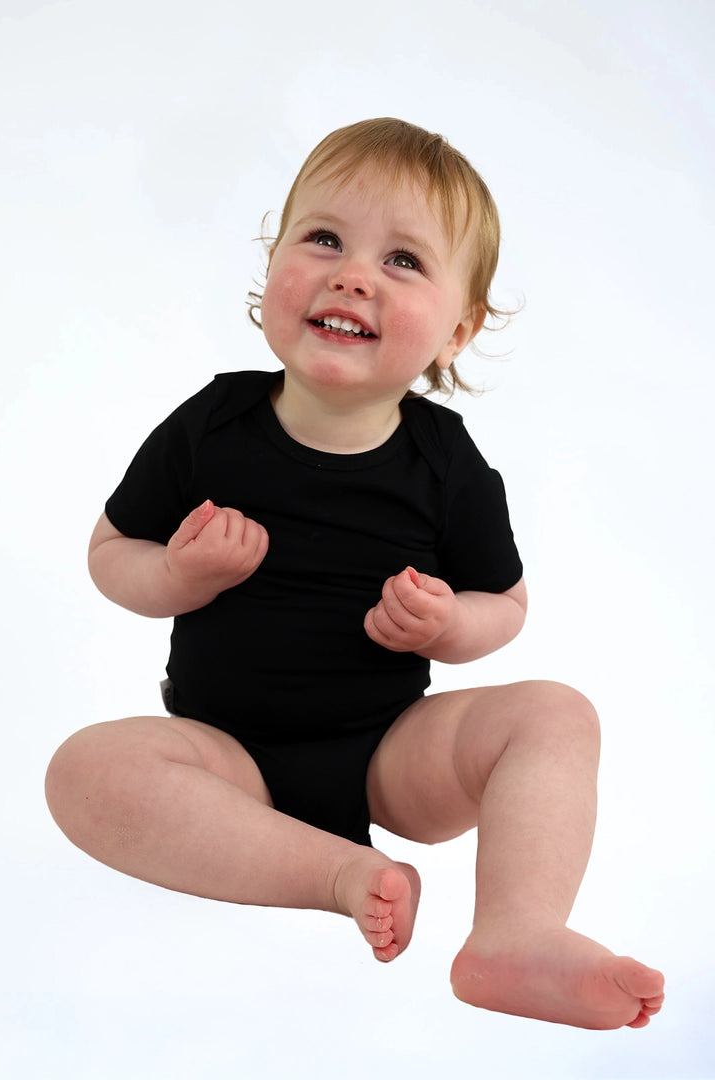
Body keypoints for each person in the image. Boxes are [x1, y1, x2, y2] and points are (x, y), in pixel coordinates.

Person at [45, 117, 665, 1029]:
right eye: (324, 238)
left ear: (457, 331)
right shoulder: (210, 425)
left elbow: (505, 605)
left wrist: (449, 626)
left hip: (391, 754)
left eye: (402, 260)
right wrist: (177, 577)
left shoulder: (446, 465)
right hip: (223, 759)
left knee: (556, 714)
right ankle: (340, 876)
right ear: (273, 266)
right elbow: (109, 554)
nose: (352, 275)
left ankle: (517, 932)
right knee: (84, 771)